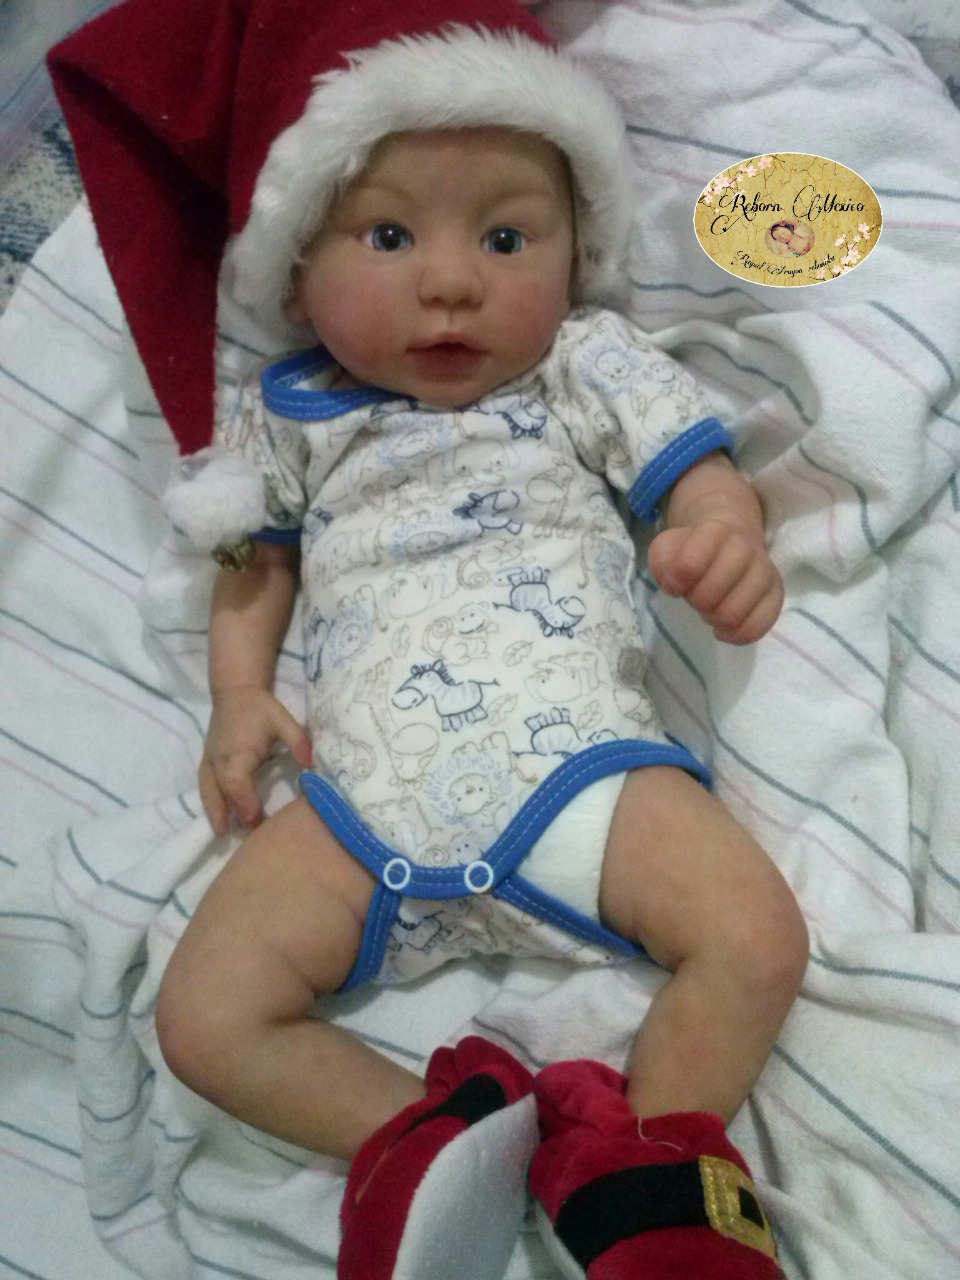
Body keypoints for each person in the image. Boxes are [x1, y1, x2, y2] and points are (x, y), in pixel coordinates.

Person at [49, 3, 807, 1277]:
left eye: (507, 238)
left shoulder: (583, 364)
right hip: (364, 803)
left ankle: (646, 1157)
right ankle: (428, 1134)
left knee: (756, 938)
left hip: (580, 768)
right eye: (389, 235)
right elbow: (251, 558)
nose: (452, 282)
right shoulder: (290, 413)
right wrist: (238, 694)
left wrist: (720, 529)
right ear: (296, 266)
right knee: (205, 1015)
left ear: (575, 254)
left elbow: (696, 466)